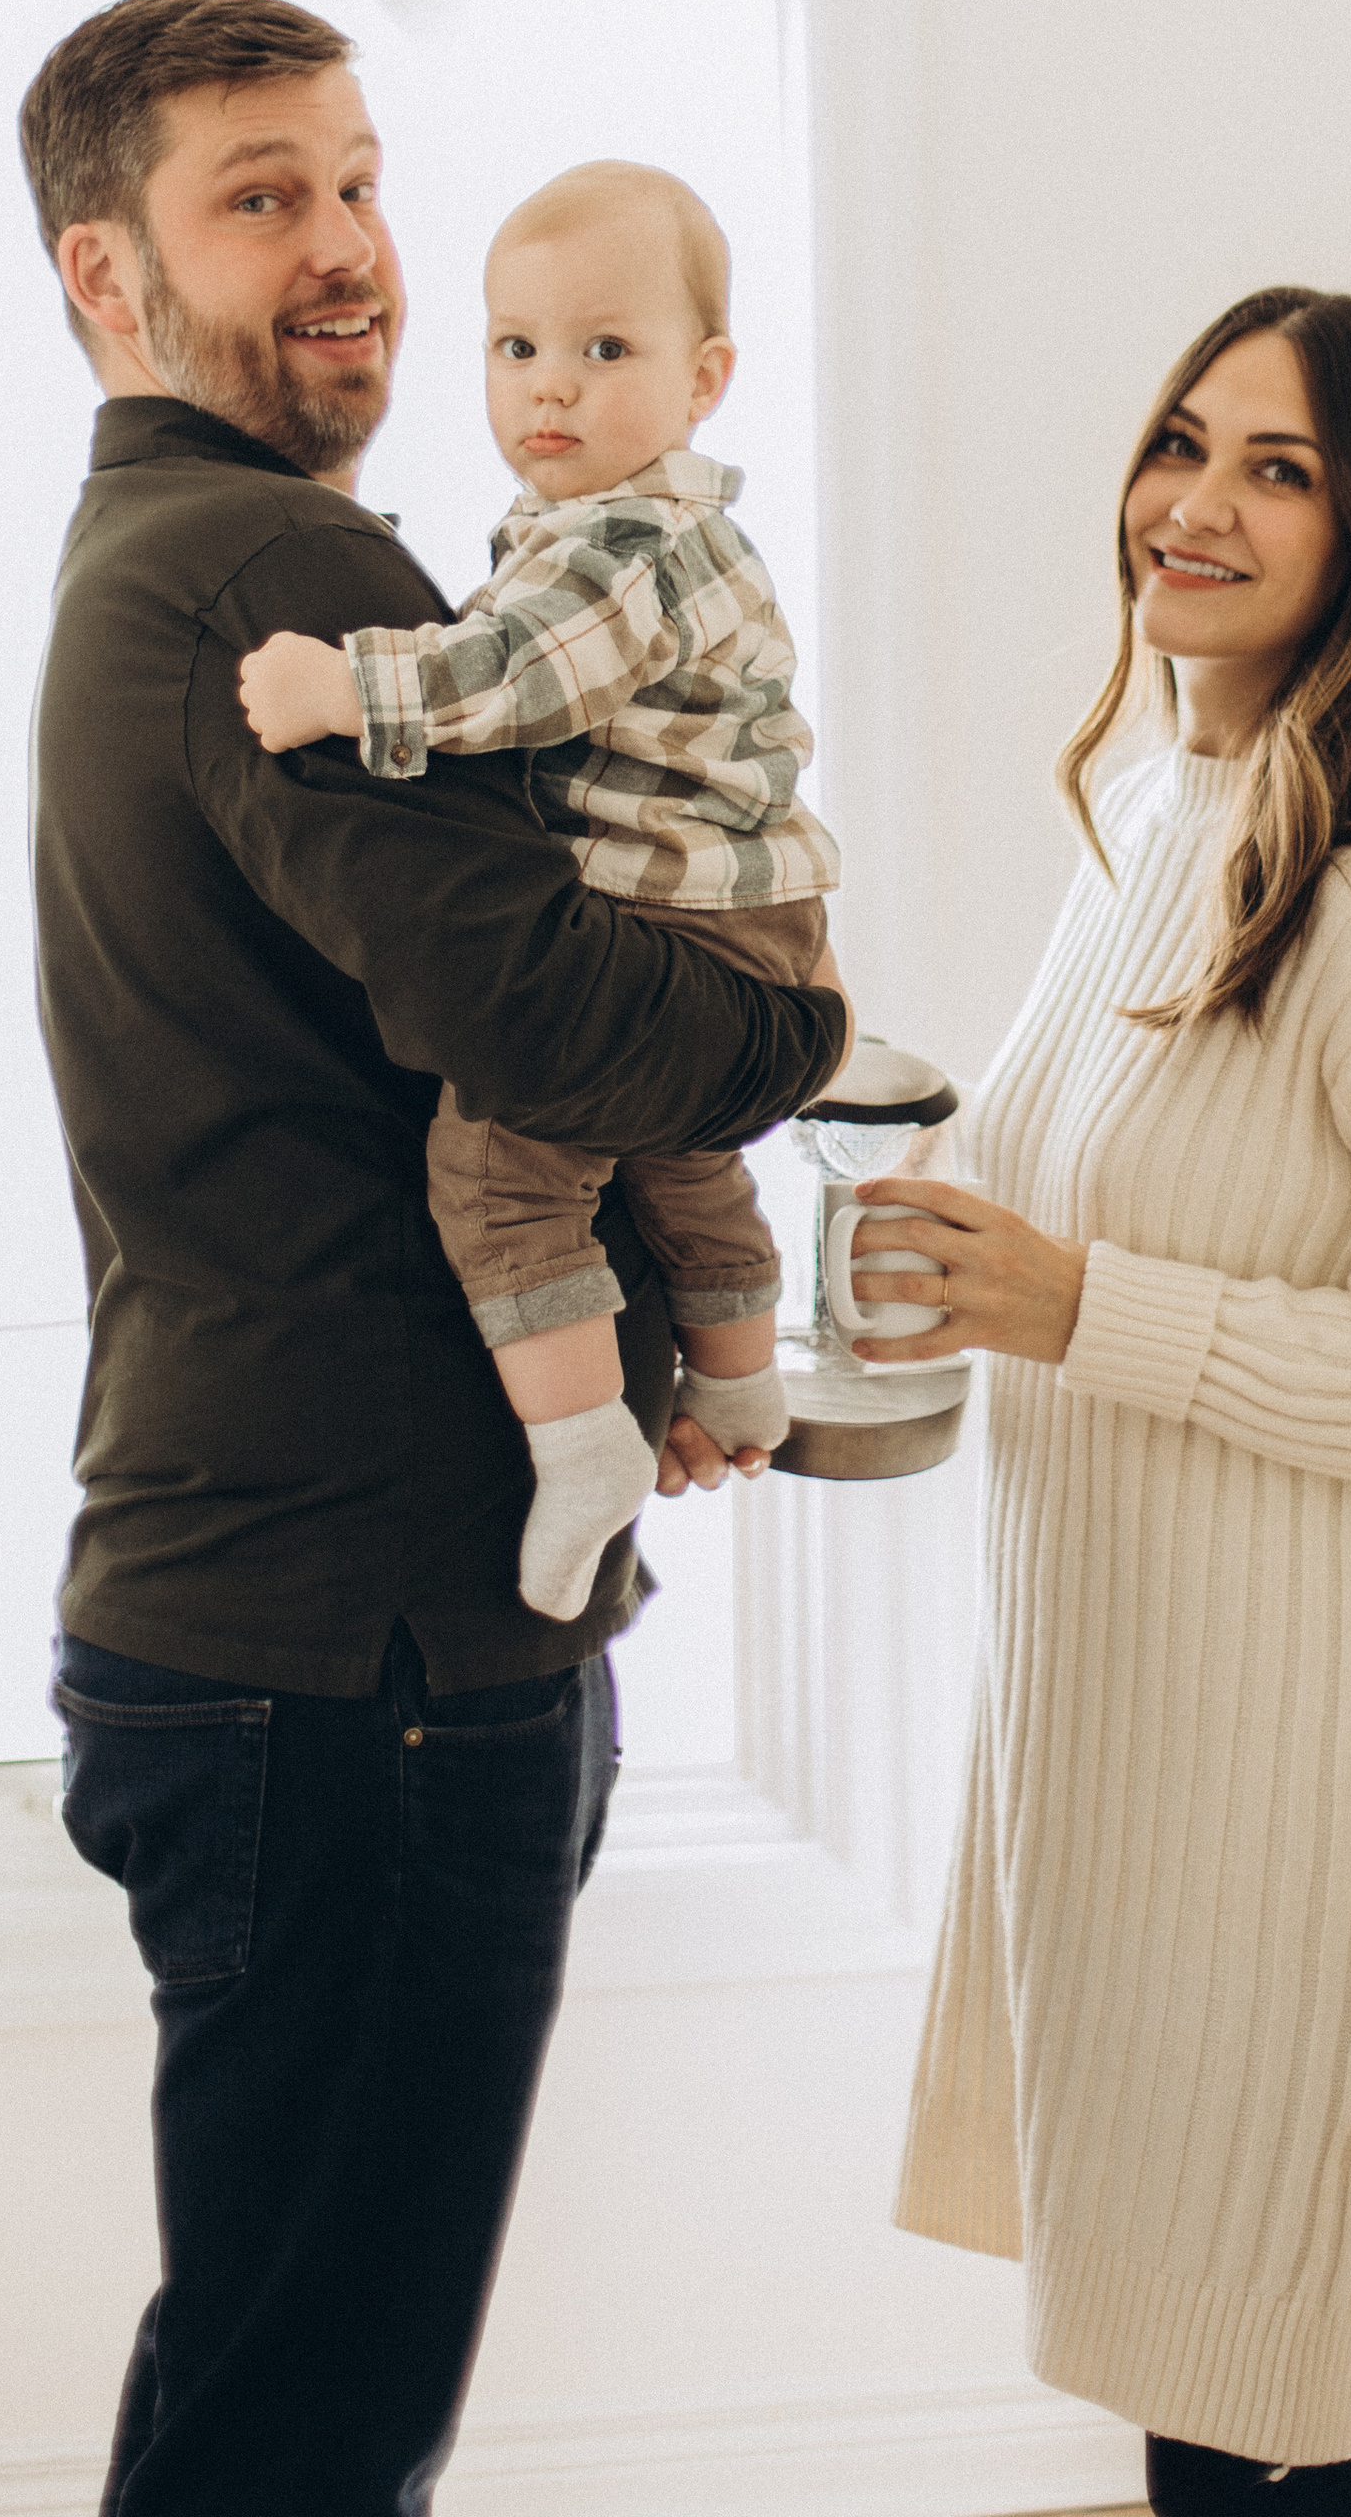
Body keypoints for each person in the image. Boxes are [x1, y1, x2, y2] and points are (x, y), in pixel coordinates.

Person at [20, 0, 846, 2517]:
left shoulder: (148, 559)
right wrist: (798, 1031)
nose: (350, 250)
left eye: (358, 179)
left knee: (277, 2382)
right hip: (362, 1652)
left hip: (259, 1618)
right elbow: (542, 1010)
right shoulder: (280, 565)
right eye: (259, 198)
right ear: (108, 277)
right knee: (308, 2430)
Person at [849, 286, 1351, 2515]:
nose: (1189, 503)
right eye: (1181, 441)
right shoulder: (1160, 827)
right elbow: (1044, 1195)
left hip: (1288, 1808)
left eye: (1275, 468)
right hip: (1126, 1766)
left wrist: (1089, 1308)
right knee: (1210, 2433)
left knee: (1264, 2446)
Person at [237, 155, 839, 1621]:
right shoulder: (614, 530)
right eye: (516, 349)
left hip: (682, 923)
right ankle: (747, 1389)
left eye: (603, 351)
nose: (548, 390)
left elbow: (512, 679)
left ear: (706, 380)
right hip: (737, 928)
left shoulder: (633, 541)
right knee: (678, 1157)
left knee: (501, 1172)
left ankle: (581, 1454)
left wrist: (345, 685)